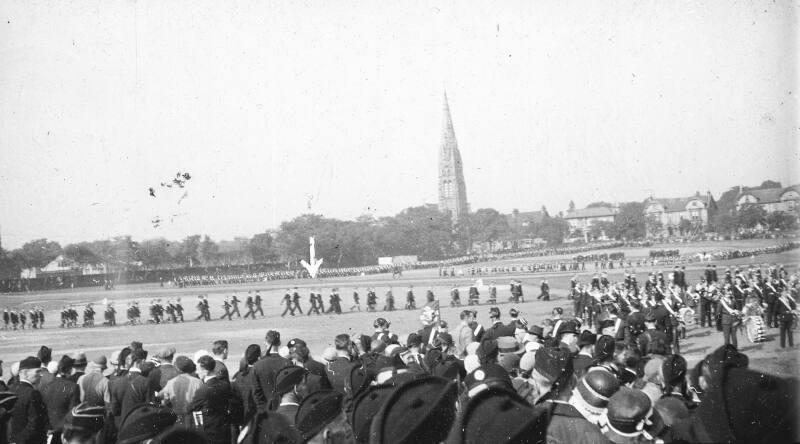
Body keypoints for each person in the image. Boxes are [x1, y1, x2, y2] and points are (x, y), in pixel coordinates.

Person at [189, 355, 234, 444]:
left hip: (211, 429)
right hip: (225, 426)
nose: (197, 372)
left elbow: (191, 407)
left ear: (205, 371)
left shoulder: (203, 390)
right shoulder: (225, 385)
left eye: (198, 369)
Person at [10, 357, 48, 444]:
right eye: (37, 371)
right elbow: (34, 424)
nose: (41, 375)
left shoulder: (11, 389)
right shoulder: (32, 393)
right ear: (26, 373)